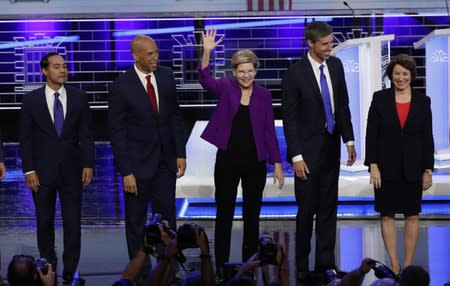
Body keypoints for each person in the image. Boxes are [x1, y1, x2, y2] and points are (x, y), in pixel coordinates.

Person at [198, 29, 284, 276]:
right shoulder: (226, 88)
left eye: (250, 71)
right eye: (241, 71)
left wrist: (276, 163)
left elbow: (269, 131)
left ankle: (249, 264)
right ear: (234, 72)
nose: (246, 75)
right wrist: (207, 51)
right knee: (224, 212)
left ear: (255, 72)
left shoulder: (265, 95)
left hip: (255, 162)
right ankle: (221, 265)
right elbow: (205, 79)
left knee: (252, 215)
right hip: (227, 160)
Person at [281, 21, 356, 279]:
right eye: (325, 44)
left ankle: (326, 264)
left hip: (331, 149)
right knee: (306, 211)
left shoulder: (336, 66)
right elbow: (289, 120)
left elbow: (342, 105)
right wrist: (296, 156)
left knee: (328, 208)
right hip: (307, 155)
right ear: (310, 44)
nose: (330, 47)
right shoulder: (294, 73)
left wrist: (349, 140)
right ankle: (301, 266)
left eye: (331, 42)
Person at [108, 35, 187, 261]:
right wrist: (126, 172)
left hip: (165, 162)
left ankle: (168, 267)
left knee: (168, 219)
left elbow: (175, 118)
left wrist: (180, 153)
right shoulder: (121, 87)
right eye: (150, 54)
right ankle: (139, 272)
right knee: (136, 221)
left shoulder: (166, 76)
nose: (156, 57)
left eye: (156, 52)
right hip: (137, 167)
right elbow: (117, 133)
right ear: (136, 56)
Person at [19, 52, 94, 283]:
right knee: (44, 223)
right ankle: (47, 269)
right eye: (56, 66)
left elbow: (87, 135)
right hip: (42, 173)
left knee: (73, 223)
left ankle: (71, 272)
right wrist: (29, 170)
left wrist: (88, 163)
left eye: (64, 66)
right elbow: (26, 139)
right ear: (45, 71)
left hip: (73, 171)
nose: (62, 70)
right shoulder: (31, 100)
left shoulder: (79, 97)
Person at [364, 54, 434, 274]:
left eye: (405, 74)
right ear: (391, 75)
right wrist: (372, 164)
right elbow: (371, 134)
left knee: (412, 215)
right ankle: (394, 262)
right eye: (397, 73)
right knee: (387, 214)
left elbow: (427, 137)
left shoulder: (423, 101)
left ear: (411, 75)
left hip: (413, 167)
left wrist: (428, 169)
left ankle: (408, 263)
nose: (401, 78)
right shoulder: (379, 98)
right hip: (385, 168)